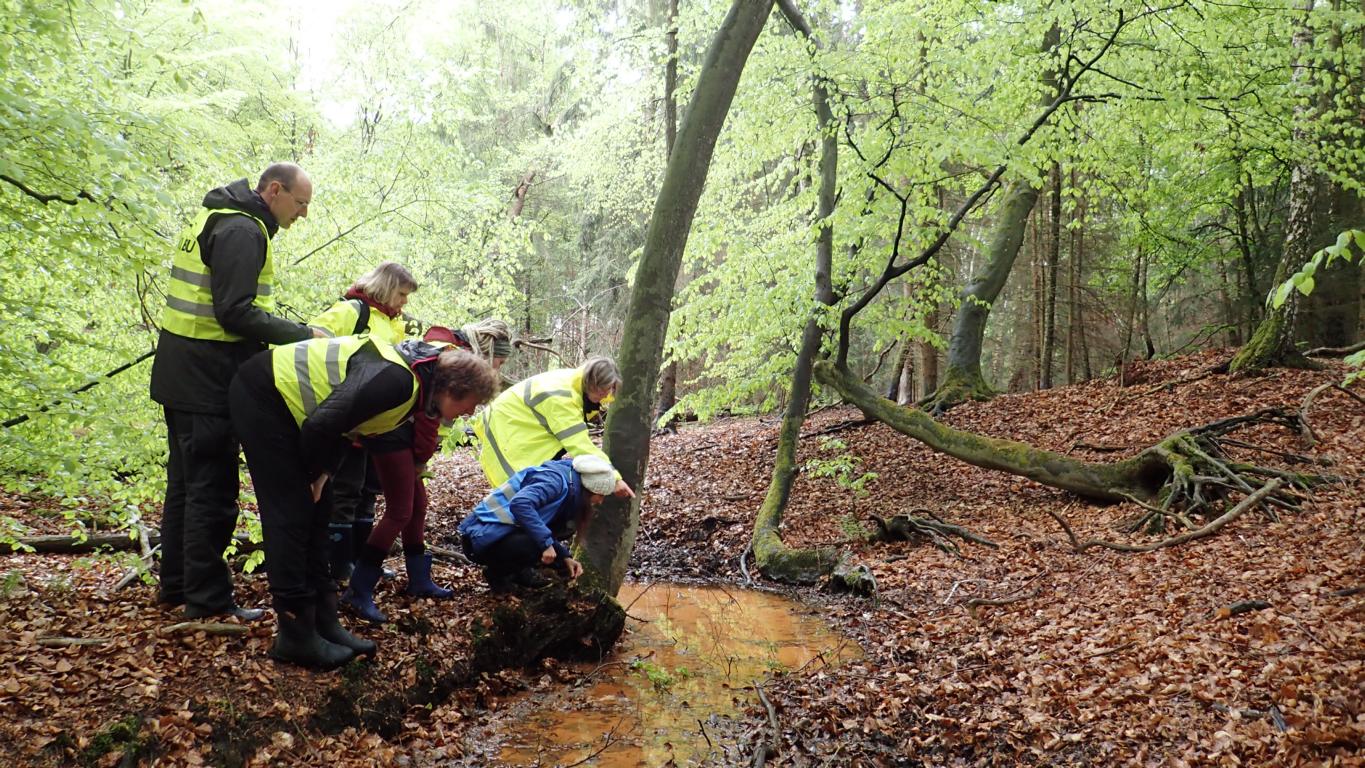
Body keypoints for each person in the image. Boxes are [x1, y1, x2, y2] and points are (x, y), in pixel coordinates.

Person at [229, 336, 496, 669]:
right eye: (471, 403)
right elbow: (322, 423)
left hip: (305, 419)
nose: (470, 411)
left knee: (318, 516)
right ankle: (295, 635)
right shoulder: (397, 381)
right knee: (292, 516)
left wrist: (323, 474)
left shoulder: (413, 394)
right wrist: (312, 475)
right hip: (264, 396)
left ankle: (325, 622)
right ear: (454, 388)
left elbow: (345, 427)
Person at [150, 162, 319, 621]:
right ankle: (206, 601)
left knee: (185, 485)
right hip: (208, 378)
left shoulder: (216, 217)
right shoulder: (243, 231)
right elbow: (235, 313)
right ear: (275, 191)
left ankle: (178, 586)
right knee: (212, 490)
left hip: (181, 373)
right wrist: (303, 334)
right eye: (301, 203)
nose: (302, 215)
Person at [341, 320, 515, 622]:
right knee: (400, 510)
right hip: (394, 432)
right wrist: (421, 457)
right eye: (498, 362)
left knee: (416, 505)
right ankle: (359, 589)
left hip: (402, 435)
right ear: (487, 352)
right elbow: (427, 417)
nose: (497, 368)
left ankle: (418, 579)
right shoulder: (453, 359)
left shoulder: (452, 354)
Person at [308, 262, 420, 580]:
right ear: (385, 287)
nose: (404, 302)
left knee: (368, 491)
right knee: (345, 490)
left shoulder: (392, 322)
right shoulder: (351, 311)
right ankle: (339, 564)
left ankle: (357, 559)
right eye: (401, 294)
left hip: (375, 422)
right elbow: (313, 342)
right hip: (345, 417)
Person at [458, 455, 631, 592]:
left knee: (558, 559)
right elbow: (521, 505)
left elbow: (538, 523)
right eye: (600, 495)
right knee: (537, 545)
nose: (600, 501)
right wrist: (546, 544)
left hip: (499, 535)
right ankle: (498, 574)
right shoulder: (554, 481)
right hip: (480, 538)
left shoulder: (570, 485)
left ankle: (519, 573)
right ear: (590, 488)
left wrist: (565, 556)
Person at [474, 357, 634, 498]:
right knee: (518, 492)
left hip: (516, 429)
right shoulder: (561, 397)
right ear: (594, 384)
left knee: (530, 492)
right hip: (507, 432)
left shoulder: (575, 384)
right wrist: (613, 477)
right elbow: (580, 445)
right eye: (605, 391)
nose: (606, 397)